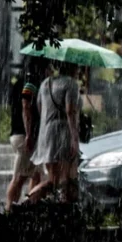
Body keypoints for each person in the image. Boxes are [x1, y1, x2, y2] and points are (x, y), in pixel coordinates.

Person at [28, 65, 82, 204]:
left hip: (45, 134)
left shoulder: (45, 83)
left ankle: (31, 204)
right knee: (60, 181)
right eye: (78, 67)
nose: (79, 70)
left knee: (56, 180)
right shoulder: (71, 84)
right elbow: (70, 112)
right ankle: (26, 203)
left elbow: (40, 108)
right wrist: (74, 139)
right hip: (61, 135)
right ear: (73, 68)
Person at [5, 60, 43, 211]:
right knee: (19, 178)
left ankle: (30, 208)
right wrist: (29, 134)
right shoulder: (30, 82)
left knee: (36, 175)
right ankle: (9, 210)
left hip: (22, 135)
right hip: (24, 136)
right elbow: (25, 107)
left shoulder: (20, 83)